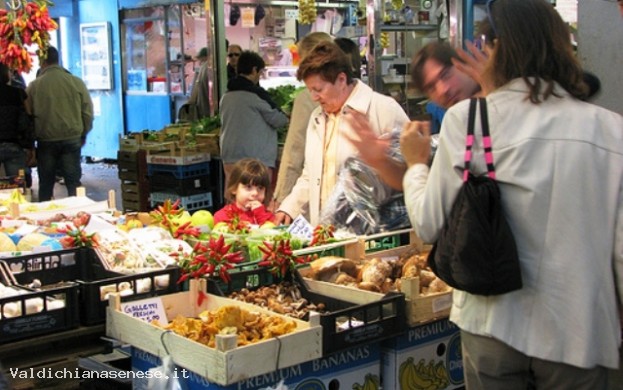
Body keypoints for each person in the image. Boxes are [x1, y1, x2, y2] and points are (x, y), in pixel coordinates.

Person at [400, 0, 623, 388]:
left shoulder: (469, 121)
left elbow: (428, 223)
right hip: (580, 331)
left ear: (497, 52)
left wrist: (416, 165)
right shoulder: (610, 131)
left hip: (492, 325)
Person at [275, 41, 409, 226]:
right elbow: (311, 174)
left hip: (374, 234)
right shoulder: (317, 117)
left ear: (341, 79)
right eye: (310, 90)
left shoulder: (383, 109)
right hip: (326, 231)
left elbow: (411, 172)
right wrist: (290, 206)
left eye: (319, 89)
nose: (314, 97)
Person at [25, 46, 94, 201]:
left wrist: (31, 143)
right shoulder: (76, 82)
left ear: (41, 62)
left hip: (46, 141)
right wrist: (83, 133)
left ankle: (46, 214)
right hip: (71, 138)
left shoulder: (34, 86)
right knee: (73, 182)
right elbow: (87, 112)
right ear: (58, 60)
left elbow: (28, 116)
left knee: (46, 184)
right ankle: (78, 214)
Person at [272, 32, 333, 206]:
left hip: (314, 196)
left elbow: (295, 150)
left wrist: (281, 197)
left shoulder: (306, 98)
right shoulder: (350, 90)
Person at [219, 50, 289, 192]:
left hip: (229, 155)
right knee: (255, 201)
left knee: (233, 201)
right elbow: (279, 120)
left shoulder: (226, 96)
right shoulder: (256, 95)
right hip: (255, 159)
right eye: (260, 72)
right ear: (254, 70)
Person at [213, 158, 276, 226]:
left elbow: (273, 232)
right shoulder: (222, 217)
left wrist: (260, 214)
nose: (255, 193)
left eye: (260, 188)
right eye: (248, 187)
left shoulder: (269, 217)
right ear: (234, 188)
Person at [0, 63, 34, 181]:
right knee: (18, 186)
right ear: (6, 75)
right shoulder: (18, 93)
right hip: (14, 144)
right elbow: (28, 119)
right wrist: (31, 147)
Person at [180, 47, 213, 121]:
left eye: (200, 58)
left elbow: (196, 90)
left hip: (203, 110)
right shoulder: (208, 68)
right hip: (208, 110)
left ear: (205, 57)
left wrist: (189, 103)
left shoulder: (203, 69)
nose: (199, 61)